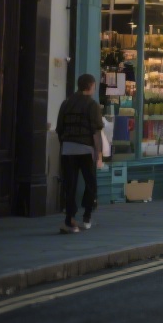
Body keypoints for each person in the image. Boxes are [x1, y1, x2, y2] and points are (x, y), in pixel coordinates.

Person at [57, 74, 105, 233]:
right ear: (91, 86)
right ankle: (87, 216)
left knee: (70, 185)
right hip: (86, 149)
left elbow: (59, 129)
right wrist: (98, 154)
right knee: (91, 183)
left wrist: (64, 146)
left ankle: (69, 219)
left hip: (68, 149)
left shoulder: (66, 103)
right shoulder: (92, 105)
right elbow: (96, 132)